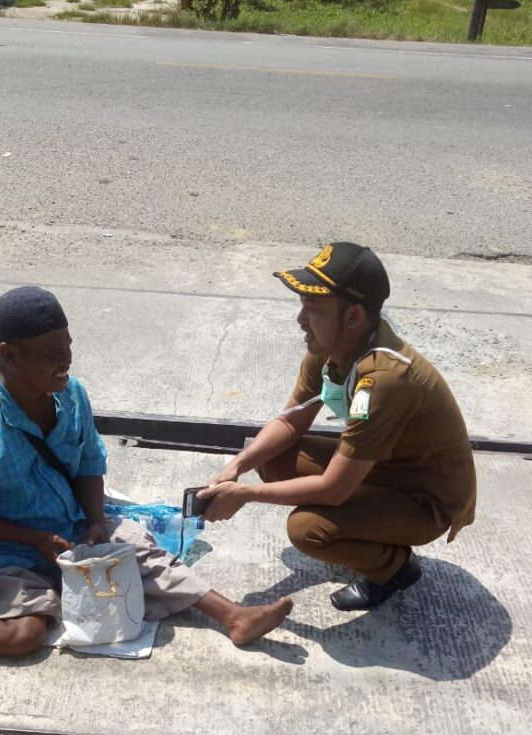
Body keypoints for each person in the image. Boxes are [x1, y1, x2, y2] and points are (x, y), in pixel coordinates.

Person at [0, 286, 291, 669]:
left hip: (71, 529)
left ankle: (234, 617)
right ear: (9, 355)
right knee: (25, 635)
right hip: (5, 551)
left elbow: (90, 464)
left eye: (67, 345)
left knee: (143, 554)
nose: (65, 360)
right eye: (51, 351)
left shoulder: (69, 393)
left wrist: (92, 523)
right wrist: (34, 541)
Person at [201, 242, 477, 611]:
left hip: (425, 498)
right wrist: (237, 467)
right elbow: (289, 421)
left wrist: (246, 495)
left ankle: (395, 567)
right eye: (302, 304)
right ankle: (372, 529)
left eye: (313, 308)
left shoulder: (384, 380)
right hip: (383, 466)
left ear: (353, 316)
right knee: (269, 458)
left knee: (307, 530)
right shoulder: (328, 351)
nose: (301, 319)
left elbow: (333, 490)